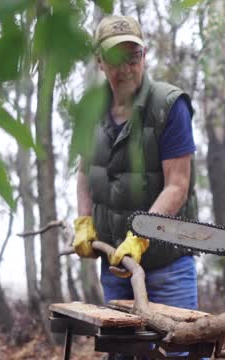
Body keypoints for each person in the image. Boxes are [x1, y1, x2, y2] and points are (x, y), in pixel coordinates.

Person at [72, 14, 199, 313]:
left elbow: (177, 185)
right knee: (122, 349)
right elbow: (83, 172)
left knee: (181, 349)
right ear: (99, 61)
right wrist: (84, 221)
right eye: (116, 60)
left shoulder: (169, 105)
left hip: (169, 263)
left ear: (145, 55)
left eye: (134, 57)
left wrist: (143, 234)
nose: (126, 69)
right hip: (115, 265)